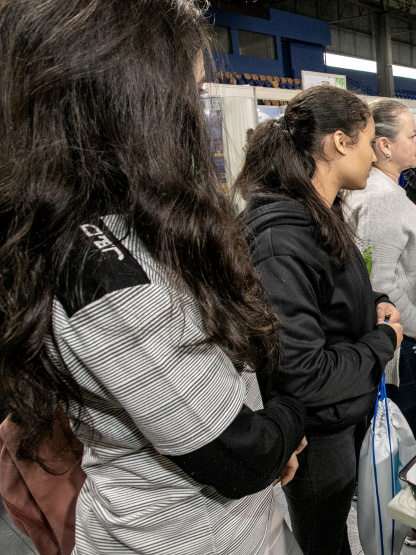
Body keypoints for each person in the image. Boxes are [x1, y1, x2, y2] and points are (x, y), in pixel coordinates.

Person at [0, 1, 308, 553]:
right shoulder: (100, 270)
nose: (192, 118)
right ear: (127, 105)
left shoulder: (122, 220)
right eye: (185, 96)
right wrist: (291, 419)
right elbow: (236, 454)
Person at [237, 86, 403, 555]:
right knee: (325, 542)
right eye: (370, 142)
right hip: (316, 440)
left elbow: (331, 293)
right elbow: (303, 374)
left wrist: (376, 302)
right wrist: (383, 341)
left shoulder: (319, 214)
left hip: (341, 421)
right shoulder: (281, 240)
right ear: (339, 142)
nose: (375, 154)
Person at [344, 98, 416, 550]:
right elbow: (382, 284)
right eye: (412, 135)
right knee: (411, 435)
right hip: (402, 344)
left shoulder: (383, 190)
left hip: (399, 340)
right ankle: (412, 527)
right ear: (384, 145)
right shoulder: (381, 199)